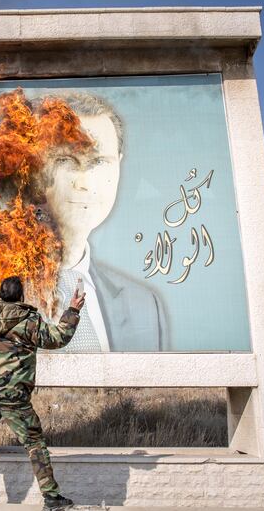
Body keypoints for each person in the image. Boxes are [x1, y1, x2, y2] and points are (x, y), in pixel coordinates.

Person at [29, 92, 168, 352]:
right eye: (65, 161)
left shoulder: (144, 305)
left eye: (99, 162)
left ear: (119, 165)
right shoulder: (1, 289)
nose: (83, 184)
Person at [0, 276, 86, 511]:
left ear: (0, 294)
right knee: (34, 443)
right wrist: (72, 310)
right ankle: (52, 498)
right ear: (21, 296)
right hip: (13, 397)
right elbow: (58, 337)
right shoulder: (30, 320)